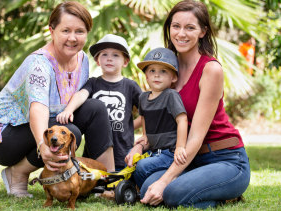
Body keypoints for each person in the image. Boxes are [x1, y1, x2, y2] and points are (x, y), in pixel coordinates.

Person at [0, 1, 115, 198]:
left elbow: (77, 101)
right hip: (4, 136)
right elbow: (38, 108)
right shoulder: (39, 64)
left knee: (95, 108)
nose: (72, 38)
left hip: (48, 123)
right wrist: (42, 146)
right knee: (71, 134)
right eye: (65, 30)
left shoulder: (83, 60)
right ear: (52, 31)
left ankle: (104, 182)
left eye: (79, 31)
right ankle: (17, 173)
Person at [125, 0, 250, 209]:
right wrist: (140, 143)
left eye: (190, 27)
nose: (181, 33)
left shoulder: (210, 70)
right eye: (176, 26)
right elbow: (154, 117)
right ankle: (198, 189)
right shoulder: (166, 69)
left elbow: (195, 136)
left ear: (202, 31)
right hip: (189, 161)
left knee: (170, 192)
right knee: (148, 187)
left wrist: (165, 180)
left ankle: (223, 193)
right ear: (169, 28)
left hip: (225, 159)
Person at [56, 34, 142, 171]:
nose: (109, 58)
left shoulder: (131, 86)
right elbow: (81, 95)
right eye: (104, 54)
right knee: (88, 182)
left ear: (125, 61)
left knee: (118, 183)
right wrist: (68, 110)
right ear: (97, 60)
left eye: (115, 55)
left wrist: (130, 126)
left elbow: (148, 113)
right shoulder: (93, 83)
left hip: (122, 152)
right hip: (93, 154)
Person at [125, 47, 188, 188]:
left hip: (169, 153)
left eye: (163, 71)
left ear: (173, 77)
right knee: (130, 156)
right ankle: (131, 186)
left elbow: (182, 119)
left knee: (142, 166)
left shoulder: (171, 96)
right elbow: (144, 118)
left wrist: (180, 147)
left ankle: (137, 189)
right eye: (152, 71)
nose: (156, 75)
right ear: (146, 76)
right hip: (153, 151)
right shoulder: (143, 98)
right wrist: (145, 136)